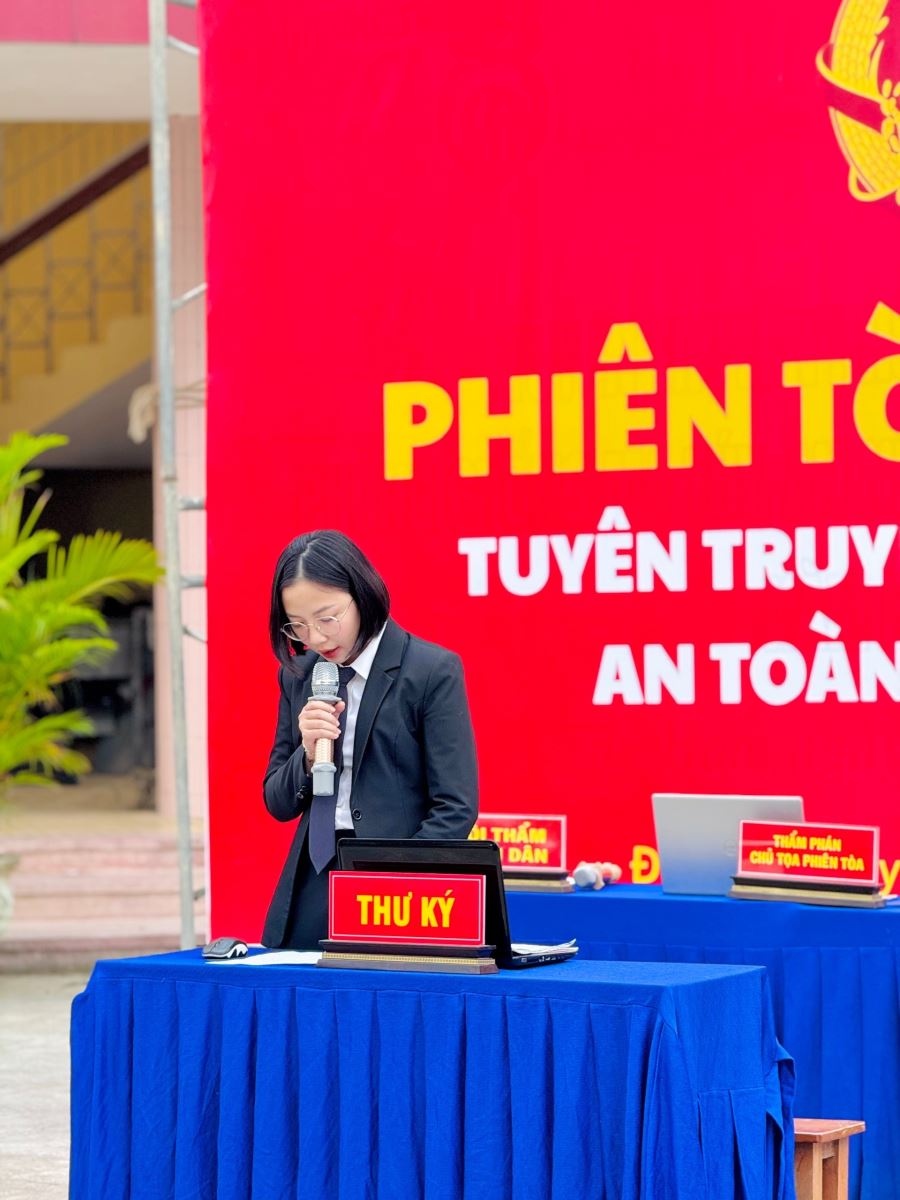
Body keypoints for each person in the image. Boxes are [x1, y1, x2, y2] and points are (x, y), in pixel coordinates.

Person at [261, 529, 479, 948]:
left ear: (361, 593)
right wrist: (307, 756)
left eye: (327, 618)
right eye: (298, 626)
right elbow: (277, 801)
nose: (316, 638)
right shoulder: (300, 676)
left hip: (398, 881)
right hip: (313, 877)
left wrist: (399, 881)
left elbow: (456, 808)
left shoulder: (430, 671)